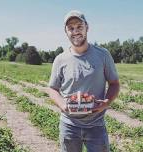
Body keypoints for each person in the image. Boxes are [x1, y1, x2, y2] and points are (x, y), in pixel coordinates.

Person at [48, 10, 120, 152]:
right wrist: (63, 104)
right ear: (66, 31)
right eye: (71, 28)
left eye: (79, 26)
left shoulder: (103, 55)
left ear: (87, 27)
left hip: (96, 125)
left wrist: (107, 102)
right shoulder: (60, 59)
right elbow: (52, 88)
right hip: (69, 125)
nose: (75, 31)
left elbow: (114, 83)